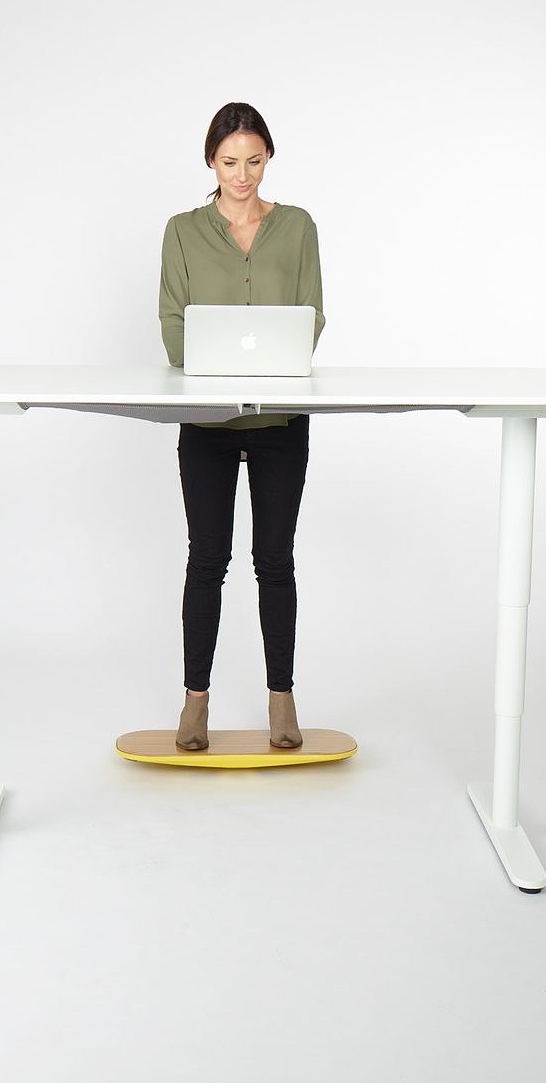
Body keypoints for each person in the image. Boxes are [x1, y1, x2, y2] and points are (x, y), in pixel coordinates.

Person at [158, 102, 325, 752]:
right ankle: (194, 701)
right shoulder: (181, 231)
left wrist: (272, 363)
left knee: (274, 560)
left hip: (281, 419)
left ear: (267, 159)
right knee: (208, 559)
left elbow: (311, 316)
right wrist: (217, 367)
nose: (243, 174)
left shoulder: (299, 227)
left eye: (254, 161)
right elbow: (173, 326)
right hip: (207, 421)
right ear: (211, 161)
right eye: (230, 162)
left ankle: (280, 698)